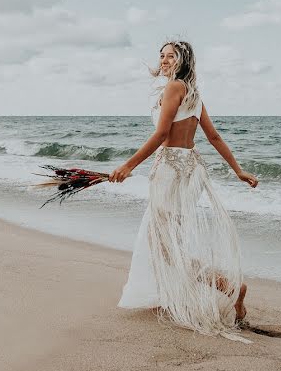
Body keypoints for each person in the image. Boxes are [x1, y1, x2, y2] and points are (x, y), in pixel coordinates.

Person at [109, 40, 258, 341]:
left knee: (165, 246)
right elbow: (213, 137)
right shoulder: (193, 93)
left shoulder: (174, 88)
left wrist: (129, 165)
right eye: (161, 55)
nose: (164, 60)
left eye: (170, 56)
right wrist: (238, 170)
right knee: (168, 240)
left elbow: (162, 133)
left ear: (183, 60)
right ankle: (181, 291)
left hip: (170, 172)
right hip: (190, 170)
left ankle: (229, 286)